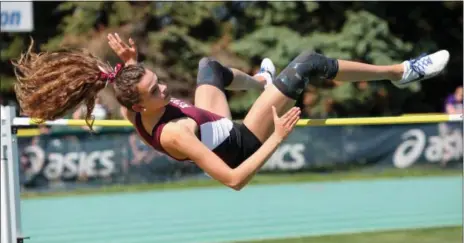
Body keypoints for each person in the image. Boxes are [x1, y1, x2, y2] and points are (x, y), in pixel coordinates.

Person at [12, 34, 450, 190]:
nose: (164, 86)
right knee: (309, 63)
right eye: (155, 88)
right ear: (140, 104)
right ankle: (400, 72)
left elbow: (134, 87)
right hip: (238, 147)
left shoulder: (135, 105)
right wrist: (275, 138)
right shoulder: (174, 134)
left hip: (212, 125)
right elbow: (235, 181)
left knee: (209, 68)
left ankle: (260, 81)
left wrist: (130, 63)